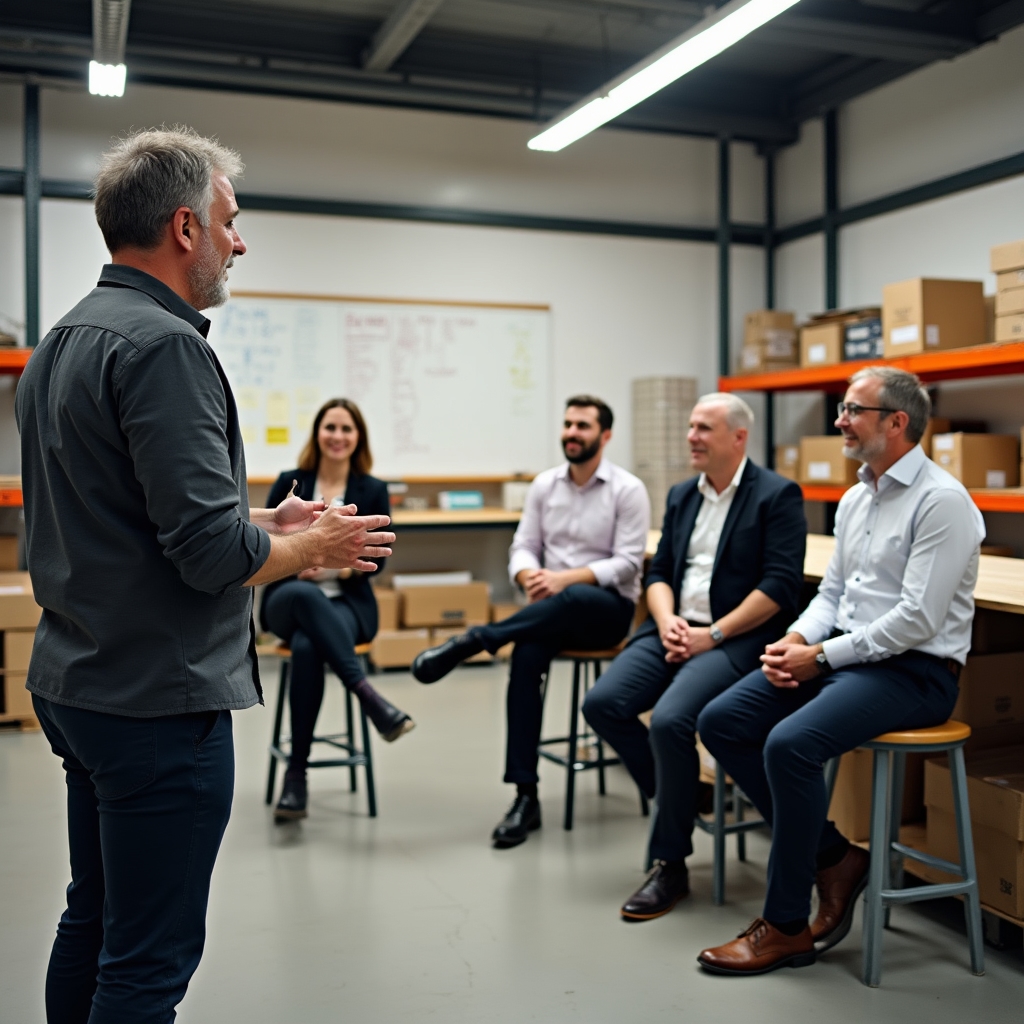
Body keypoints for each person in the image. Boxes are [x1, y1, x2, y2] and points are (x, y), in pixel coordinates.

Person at [15, 128, 395, 1024]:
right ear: (185, 227)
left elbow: (124, 517)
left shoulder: (64, 341)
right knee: (147, 963)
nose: (240, 239)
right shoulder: (166, 348)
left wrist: (269, 523)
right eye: (230, 220)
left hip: (81, 681)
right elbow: (207, 556)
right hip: (159, 701)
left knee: (97, 917)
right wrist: (317, 549)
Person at [696, 366, 984, 977]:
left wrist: (821, 656)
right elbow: (832, 592)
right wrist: (796, 639)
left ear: (897, 423)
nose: (839, 421)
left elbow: (917, 620)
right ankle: (836, 857)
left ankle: (785, 929)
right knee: (722, 720)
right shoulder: (856, 496)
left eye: (852, 410)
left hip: (916, 675)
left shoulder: (942, 501)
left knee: (790, 744)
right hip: (847, 659)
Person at [582, 393, 806, 920]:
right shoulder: (683, 495)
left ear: (738, 437)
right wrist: (665, 622)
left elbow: (780, 586)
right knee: (603, 704)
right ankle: (679, 793)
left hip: (734, 639)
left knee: (671, 721)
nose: (691, 437)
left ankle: (670, 863)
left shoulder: (776, 495)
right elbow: (658, 573)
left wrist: (716, 635)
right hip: (672, 628)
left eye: (704, 428)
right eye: (690, 427)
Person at [411, 395, 650, 847]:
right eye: (567, 424)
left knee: (576, 595)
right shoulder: (545, 485)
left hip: (606, 611)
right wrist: (528, 575)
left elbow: (627, 563)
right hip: (551, 610)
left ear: (605, 435)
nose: (572, 433)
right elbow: (523, 545)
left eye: (582, 425)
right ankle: (525, 796)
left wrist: (562, 579)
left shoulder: (627, 489)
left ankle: (475, 641)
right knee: (525, 657)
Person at [262, 397, 414, 821]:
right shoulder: (291, 483)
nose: (338, 436)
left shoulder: (371, 488)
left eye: (347, 429)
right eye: (331, 427)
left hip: (349, 603)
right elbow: (265, 540)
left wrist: (339, 568)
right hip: (289, 598)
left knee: (311, 648)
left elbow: (378, 558)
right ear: (318, 434)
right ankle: (367, 694)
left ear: (358, 438)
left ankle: (296, 777)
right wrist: (298, 560)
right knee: (308, 599)